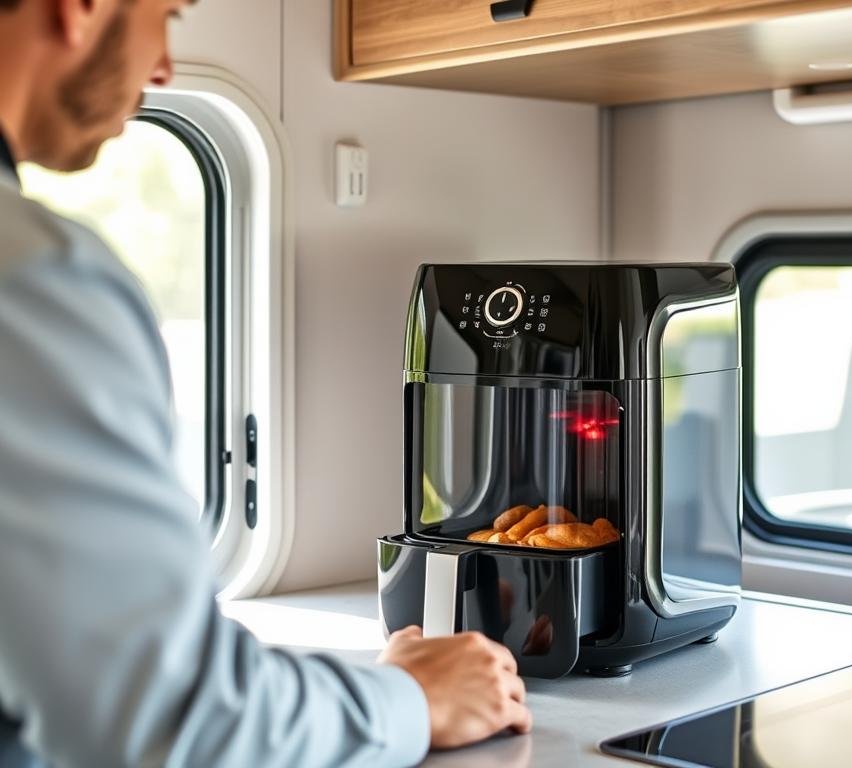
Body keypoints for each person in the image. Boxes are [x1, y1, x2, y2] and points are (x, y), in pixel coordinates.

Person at [0, 1, 532, 765]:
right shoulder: (35, 280)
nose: (163, 68)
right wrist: (413, 698)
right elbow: (174, 724)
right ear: (81, 9)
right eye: (167, 15)